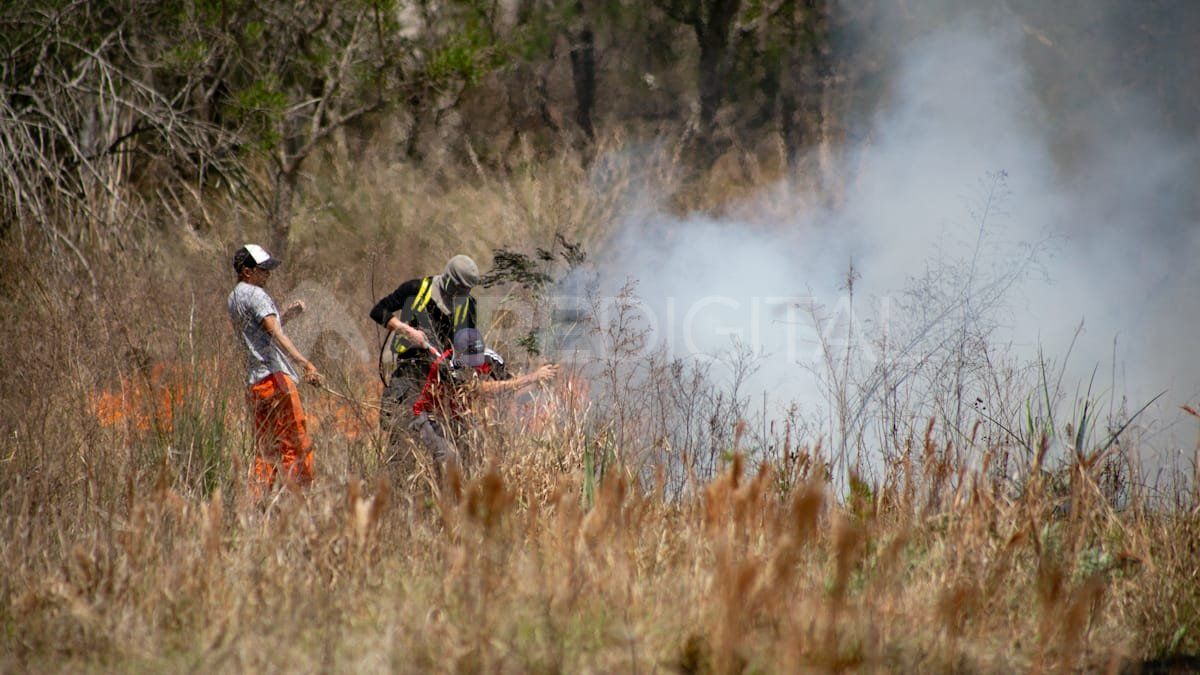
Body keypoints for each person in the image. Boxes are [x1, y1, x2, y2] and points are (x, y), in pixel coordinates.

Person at [227, 244, 322, 493]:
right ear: (247, 271)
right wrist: (305, 363)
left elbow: (261, 332)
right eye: (263, 269)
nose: (268, 274)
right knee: (295, 443)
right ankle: (300, 502)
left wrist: (285, 315)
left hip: (255, 383)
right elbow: (275, 334)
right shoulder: (257, 295)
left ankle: (256, 504)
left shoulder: (234, 297)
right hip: (274, 379)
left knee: (266, 449)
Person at [411, 327, 558, 485]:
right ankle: (446, 503)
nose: (473, 364)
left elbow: (510, 390)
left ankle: (469, 496)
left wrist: (539, 381)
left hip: (458, 416)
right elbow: (482, 389)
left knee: (476, 456)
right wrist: (532, 376)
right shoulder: (447, 367)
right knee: (449, 458)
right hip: (429, 415)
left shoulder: (491, 358)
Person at [369, 254, 481, 461]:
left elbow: (468, 348)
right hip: (410, 379)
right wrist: (407, 331)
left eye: (468, 289)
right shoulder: (416, 289)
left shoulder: (469, 305)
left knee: (465, 448)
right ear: (449, 280)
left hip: (442, 385)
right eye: (460, 287)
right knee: (402, 448)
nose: (463, 293)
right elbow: (378, 311)